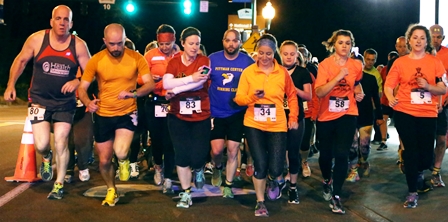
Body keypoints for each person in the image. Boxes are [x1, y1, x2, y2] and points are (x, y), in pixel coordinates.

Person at [3, 5, 91, 199]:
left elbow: (91, 73)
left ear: (71, 23)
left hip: (64, 103)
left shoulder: (78, 45)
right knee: (42, 144)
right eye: (58, 19)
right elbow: (20, 61)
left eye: (66, 20)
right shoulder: (37, 39)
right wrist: (11, 85)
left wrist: (77, 81)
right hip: (39, 101)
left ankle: (58, 184)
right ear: (51, 21)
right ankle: (46, 156)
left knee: (61, 142)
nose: (62, 23)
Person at [78, 23, 155, 206]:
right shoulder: (96, 60)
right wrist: (89, 102)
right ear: (105, 41)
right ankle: (111, 189)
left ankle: (124, 159)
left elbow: (150, 84)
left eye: (120, 43)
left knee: (120, 152)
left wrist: (133, 93)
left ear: (125, 39)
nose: (116, 48)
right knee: (104, 160)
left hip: (127, 112)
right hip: (103, 114)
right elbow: (82, 87)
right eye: (111, 44)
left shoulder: (136, 58)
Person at [234, 33, 299, 217]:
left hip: (277, 124)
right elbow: (239, 99)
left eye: (268, 53)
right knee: (260, 164)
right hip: (253, 123)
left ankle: (274, 180)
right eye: (261, 53)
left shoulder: (282, 73)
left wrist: (293, 116)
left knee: (277, 167)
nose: (264, 57)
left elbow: (292, 96)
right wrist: (253, 97)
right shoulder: (248, 72)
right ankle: (260, 202)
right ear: (256, 52)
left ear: (274, 53)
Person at [384, 24, 447, 208]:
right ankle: (412, 192)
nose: (418, 41)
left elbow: (443, 87)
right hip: (405, 111)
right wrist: (390, 98)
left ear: (427, 41)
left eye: (422, 38)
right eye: (415, 37)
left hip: (427, 113)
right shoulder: (400, 62)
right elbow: (388, 85)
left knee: (426, 156)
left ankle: (418, 171)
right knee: (411, 151)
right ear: (409, 40)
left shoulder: (435, 62)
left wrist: (428, 87)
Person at [315, 29, 364, 214]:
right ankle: (327, 179)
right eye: (341, 42)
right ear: (333, 44)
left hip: (348, 113)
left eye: (348, 43)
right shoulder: (325, 65)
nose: (344, 46)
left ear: (352, 45)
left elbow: (357, 82)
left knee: (342, 153)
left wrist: (359, 92)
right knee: (326, 155)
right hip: (326, 115)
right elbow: (319, 92)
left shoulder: (356, 65)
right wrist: (337, 77)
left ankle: (336, 196)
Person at [163, 27, 211, 208]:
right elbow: (166, 82)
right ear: (182, 44)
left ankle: (199, 168)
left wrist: (175, 89)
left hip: (201, 116)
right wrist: (190, 78)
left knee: (198, 156)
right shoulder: (174, 62)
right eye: (191, 44)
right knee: (181, 155)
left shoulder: (204, 60)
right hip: (177, 116)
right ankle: (186, 192)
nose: (194, 47)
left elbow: (200, 81)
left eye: (197, 44)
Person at [208, 29, 254, 198]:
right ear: (223, 41)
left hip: (237, 112)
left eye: (235, 41)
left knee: (233, 150)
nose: (231, 44)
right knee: (217, 150)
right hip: (216, 112)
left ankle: (228, 184)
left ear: (240, 43)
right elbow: (202, 79)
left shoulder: (248, 62)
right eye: (228, 40)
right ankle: (217, 168)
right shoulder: (212, 59)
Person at [143, 24, 181, 193]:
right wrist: (149, 78)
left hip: (174, 102)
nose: (165, 47)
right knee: (157, 139)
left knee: (171, 140)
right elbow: (138, 78)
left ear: (174, 40)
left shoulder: (181, 55)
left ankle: (168, 176)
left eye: (168, 43)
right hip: (155, 102)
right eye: (161, 44)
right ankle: (158, 166)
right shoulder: (149, 56)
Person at [278, 40, 312, 204]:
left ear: (297, 55)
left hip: (296, 118)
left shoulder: (302, 72)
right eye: (285, 54)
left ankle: (292, 187)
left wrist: (292, 88)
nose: (289, 57)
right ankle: (277, 182)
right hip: (276, 118)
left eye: (292, 54)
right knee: (276, 152)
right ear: (280, 54)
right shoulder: (275, 70)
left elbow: (308, 96)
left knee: (293, 153)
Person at [346, 54, 383, 182]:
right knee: (352, 145)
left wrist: (379, 116)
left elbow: (376, 99)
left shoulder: (371, 78)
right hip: (350, 115)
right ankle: (353, 169)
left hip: (366, 115)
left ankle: (364, 161)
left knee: (364, 145)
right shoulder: (345, 79)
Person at [430, 24, 448, 188]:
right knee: (424, 141)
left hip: (442, 106)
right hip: (422, 106)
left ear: (443, 38)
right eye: (432, 36)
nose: (435, 39)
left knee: (441, 139)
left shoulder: (447, 54)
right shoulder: (418, 54)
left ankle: (436, 172)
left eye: (438, 37)